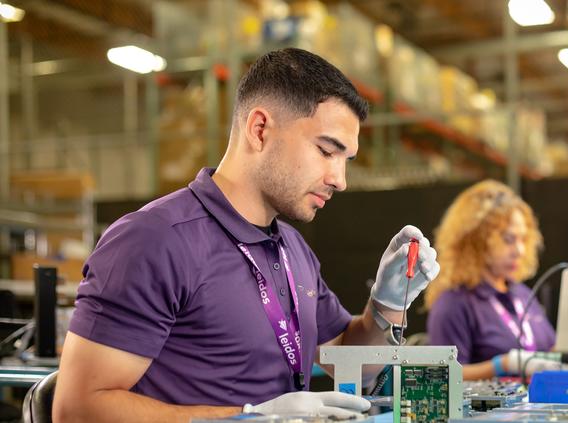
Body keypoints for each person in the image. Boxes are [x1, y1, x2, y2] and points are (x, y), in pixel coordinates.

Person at [53, 48, 440, 423]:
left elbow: (348, 364)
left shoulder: (292, 250)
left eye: (346, 160)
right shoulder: (155, 241)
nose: (339, 180)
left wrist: (385, 305)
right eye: (326, 151)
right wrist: (249, 417)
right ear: (259, 129)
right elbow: (77, 410)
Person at [425, 180, 559, 381]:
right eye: (508, 239)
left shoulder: (521, 294)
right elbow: (442, 376)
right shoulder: (453, 304)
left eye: (523, 239)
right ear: (475, 240)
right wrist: (500, 365)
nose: (520, 250)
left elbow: (548, 348)